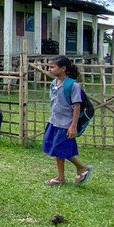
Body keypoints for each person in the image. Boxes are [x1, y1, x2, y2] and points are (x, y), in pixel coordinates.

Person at [43, 55, 92, 186]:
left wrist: (73, 125)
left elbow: (77, 105)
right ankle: (60, 176)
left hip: (66, 123)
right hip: (54, 121)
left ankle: (82, 167)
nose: (50, 69)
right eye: (49, 67)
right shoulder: (53, 83)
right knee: (57, 149)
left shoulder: (73, 85)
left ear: (63, 68)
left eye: (52, 67)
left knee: (60, 148)